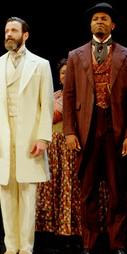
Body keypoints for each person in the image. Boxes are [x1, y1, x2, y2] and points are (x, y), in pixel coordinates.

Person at [63, 3, 127, 254]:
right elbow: (69, 94)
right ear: (90, 25)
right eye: (95, 19)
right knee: (88, 190)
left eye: (104, 19)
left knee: (119, 190)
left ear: (112, 25)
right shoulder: (76, 55)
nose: (99, 22)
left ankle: (118, 244)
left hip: (115, 127)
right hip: (86, 128)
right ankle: (89, 245)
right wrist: (70, 131)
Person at [0, 17, 53, 254]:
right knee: (6, 192)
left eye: (14, 30)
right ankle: (10, 246)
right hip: (3, 133)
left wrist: (44, 137)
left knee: (27, 192)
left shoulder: (41, 65)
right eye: (6, 31)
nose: (9, 34)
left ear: (25, 35)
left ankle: (26, 247)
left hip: (28, 135)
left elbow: (47, 104)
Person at [38, 59, 83, 239]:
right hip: (54, 146)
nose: (67, 75)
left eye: (70, 72)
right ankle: (54, 231)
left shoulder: (82, 95)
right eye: (63, 72)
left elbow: (55, 114)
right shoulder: (55, 94)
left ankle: (74, 230)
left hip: (72, 145)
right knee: (53, 185)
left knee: (71, 185)